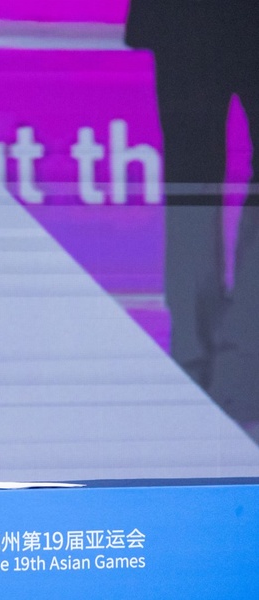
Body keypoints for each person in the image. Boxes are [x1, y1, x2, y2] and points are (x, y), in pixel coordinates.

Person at [125, 0, 259, 440]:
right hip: (188, 17)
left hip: (187, 18)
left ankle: (209, 360)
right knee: (190, 178)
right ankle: (223, 360)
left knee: (190, 177)